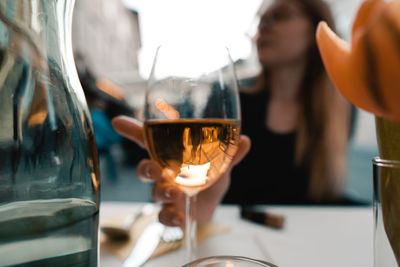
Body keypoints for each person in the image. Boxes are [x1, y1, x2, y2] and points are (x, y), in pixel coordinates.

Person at [112, 0, 352, 227]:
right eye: (261, 20)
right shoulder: (230, 109)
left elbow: (328, 199)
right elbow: (188, 174)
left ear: (318, 30)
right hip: (233, 239)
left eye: (280, 15)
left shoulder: (340, 111)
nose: (264, 26)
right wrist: (193, 205)